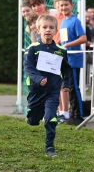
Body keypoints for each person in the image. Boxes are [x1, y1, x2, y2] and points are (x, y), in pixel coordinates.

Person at [24, 14, 71, 157]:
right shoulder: (33, 48)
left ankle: (50, 147)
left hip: (52, 91)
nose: (48, 30)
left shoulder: (61, 50)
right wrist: (38, 78)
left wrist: (67, 83)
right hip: (36, 90)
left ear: (56, 30)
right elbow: (28, 67)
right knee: (33, 120)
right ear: (38, 30)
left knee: (51, 118)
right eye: (44, 27)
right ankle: (33, 114)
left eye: (51, 27)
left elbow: (66, 68)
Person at [57, 0, 87, 126]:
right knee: (68, 87)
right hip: (66, 59)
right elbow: (63, 39)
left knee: (74, 88)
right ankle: (71, 113)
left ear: (71, 5)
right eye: (61, 5)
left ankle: (78, 116)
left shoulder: (75, 21)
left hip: (74, 59)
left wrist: (68, 45)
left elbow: (83, 38)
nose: (64, 7)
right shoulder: (63, 21)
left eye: (66, 5)